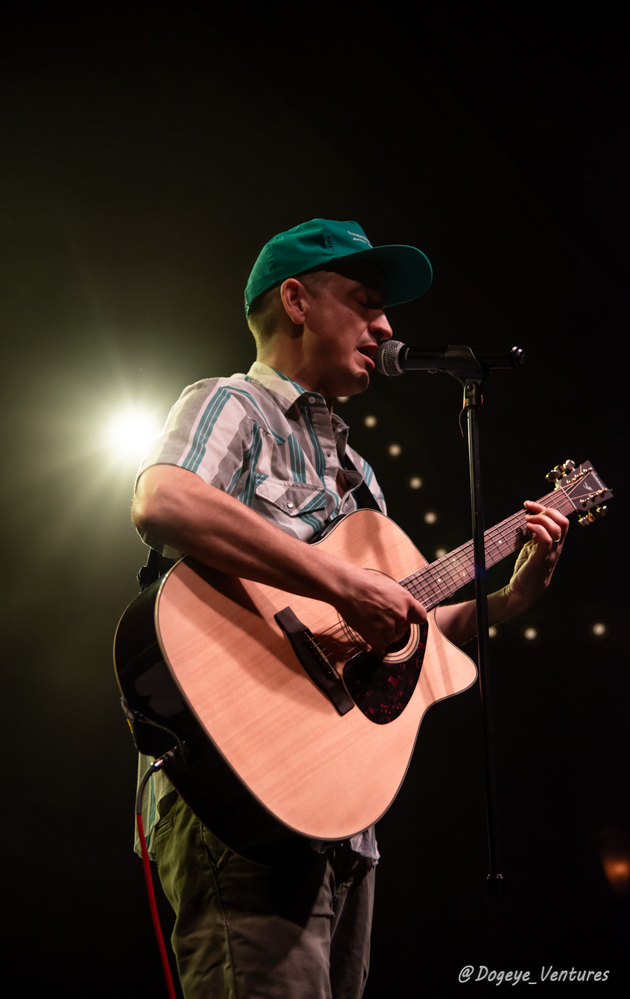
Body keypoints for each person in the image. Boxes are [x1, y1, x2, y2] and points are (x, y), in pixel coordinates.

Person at [130, 219, 568, 999]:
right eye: (365, 302)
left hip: (340, 814)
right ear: (296, 301)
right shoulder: (233, 403)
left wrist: (509, 598)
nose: (387, 326)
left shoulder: (360, 474)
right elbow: (164, 500)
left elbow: (401, 633)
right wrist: (342, 584)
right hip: (237, 792)